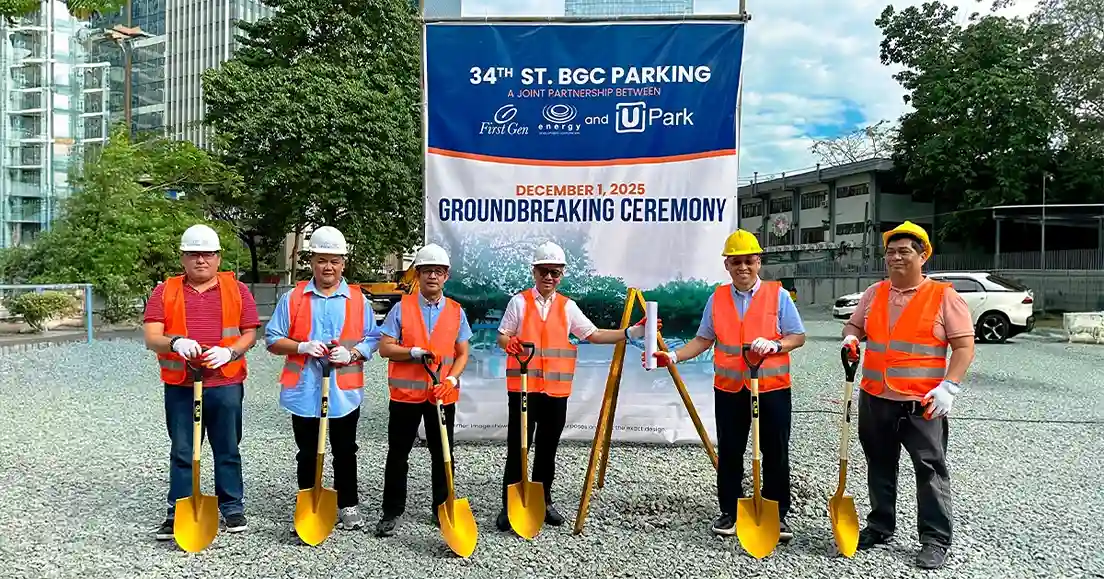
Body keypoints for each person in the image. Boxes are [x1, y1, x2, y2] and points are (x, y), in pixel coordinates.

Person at [644, 229, 806, 541]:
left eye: (748, 261)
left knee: (775, 451)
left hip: (771, 388)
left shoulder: (779, 296)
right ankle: (730, 510)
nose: (742, 267)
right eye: (736, 262)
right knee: (731, 451)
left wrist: (776, 345)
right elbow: (703, 339)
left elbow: (797, 336)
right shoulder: (717, 298)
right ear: (727, 265)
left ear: (758, 262)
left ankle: (776, 512)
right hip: (730, 390)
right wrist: (673, 356)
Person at [495, 241, 656, 531]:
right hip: (522, 389)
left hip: (555, 392)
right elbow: (502, 336)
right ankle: (510, 505)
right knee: (518, 447)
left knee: (547, 449)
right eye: (544, 271)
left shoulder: (567, 307)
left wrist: (632, 332)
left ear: (561, 275)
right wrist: (510, 343)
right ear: (534, 271)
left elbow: (593, 335)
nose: (549, 277)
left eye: (554, 272)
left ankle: (543, 501)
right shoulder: (518, 303)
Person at [841, 221, 975, 570]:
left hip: (922, 403)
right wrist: (851, 337)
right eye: (890, 252)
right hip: (876, 397)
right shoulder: (874, 293)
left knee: (930, 470)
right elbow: (855, 325)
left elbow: (963, 346)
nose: (895, 258)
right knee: (879, 464)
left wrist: (950, 386)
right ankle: (880, 525)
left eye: (904, 251)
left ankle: (935, 539)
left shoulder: (944, 296)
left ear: (923, 255)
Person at [143, 224, 261, 540]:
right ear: (183, 258)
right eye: (193, 254)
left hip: (225, 382)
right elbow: (151, 337)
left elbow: (250, 333)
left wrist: (231, 352)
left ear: (218, 257)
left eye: (207, 254)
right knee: (183, 450)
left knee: (227, 447)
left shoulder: (238, 290)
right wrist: (175, 342)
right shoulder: (164, 291)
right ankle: (179, 510)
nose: (200, 260)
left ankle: (232, 506)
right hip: (181, 384)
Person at [264, 226, 381, 533]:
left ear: (343, 264)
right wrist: (300, 347)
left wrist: (352, 354)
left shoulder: (358, 300)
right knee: (307, 452)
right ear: (312, 261)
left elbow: (373, 338)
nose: (328, 267)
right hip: (304, 390)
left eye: (334, 261)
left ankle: (348, 504)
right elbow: (273, 338)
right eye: (322, 260)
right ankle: (308, 503)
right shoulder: (293, 298)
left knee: (345, 450)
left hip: (343, 391)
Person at [373, 243, 473, 537]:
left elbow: (463, 353)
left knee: (443, 453)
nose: (432, 276)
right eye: (427, 270)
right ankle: (392, 511)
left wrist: (451, 380)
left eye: (438, 271)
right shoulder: (401, 308)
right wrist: (412, 352)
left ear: (446, 276)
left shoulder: (456, 312)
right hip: (405, 397)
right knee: (398, 453)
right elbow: (385, 348)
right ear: (418, 274)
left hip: (442, 395)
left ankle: (442, 508)